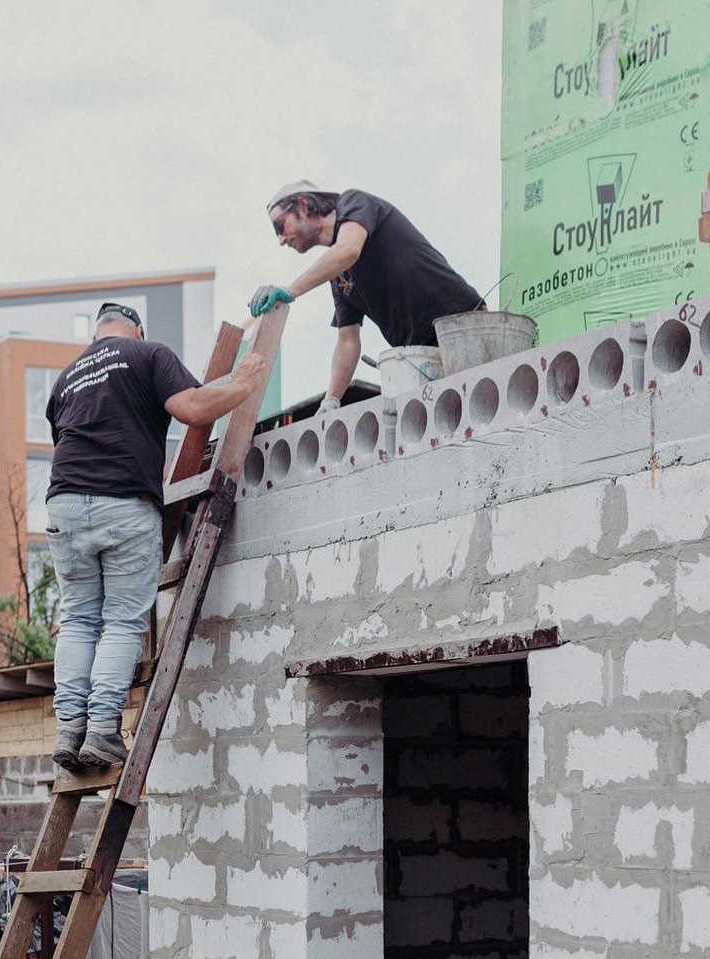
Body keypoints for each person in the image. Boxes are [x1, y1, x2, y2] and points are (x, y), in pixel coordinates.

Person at [45, 302, 266, 768]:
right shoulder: (147, 353)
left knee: (80, 619)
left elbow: (79, 439)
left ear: (97, 335)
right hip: (122, 502)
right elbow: (192, 409)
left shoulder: (66, 378)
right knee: (124, 620)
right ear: (136, 330)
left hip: (63, 503)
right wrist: (243, 383)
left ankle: (68, 731)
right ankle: (103, 731)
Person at [249, 180, 484, 411]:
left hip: (463, 325)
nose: (280, 240)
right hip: (421, 356)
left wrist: (291, 290)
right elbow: (348, 340)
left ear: (302, 204)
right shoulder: (339, 275)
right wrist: (331, 400)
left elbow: (348, 249)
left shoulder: (353, 202)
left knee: (482, 409)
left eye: (280, 226)